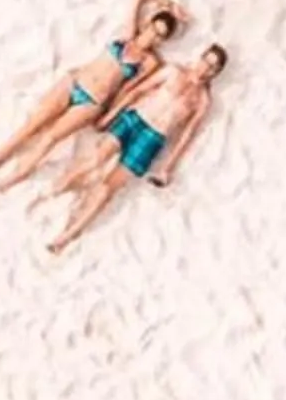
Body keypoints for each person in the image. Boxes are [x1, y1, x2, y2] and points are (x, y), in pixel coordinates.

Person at [0, 0, 188, 192]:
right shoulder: (127, 35)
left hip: (92, 102)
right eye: (154, 30)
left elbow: (129, 90)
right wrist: (169, 6)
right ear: (148, 24)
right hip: (74, 82)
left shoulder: (150, 62)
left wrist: (110, 114)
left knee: (51, 137)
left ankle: (11, 179)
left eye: (160, 36)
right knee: (31, 126)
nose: (154, 37)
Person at [32, 43, 225, 252]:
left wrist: (168, 166)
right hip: (135, 118)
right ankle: (52, 192)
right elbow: (139, 90)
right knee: (96, 160)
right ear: (200, 58)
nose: (205, 69)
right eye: (206, 62)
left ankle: (67, 236)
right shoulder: (173, 71)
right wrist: (112, 113)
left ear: (215, 73)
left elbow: (188, 134)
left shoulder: (202, 100)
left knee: (107, 188)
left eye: (212, 68)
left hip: (154, 137)